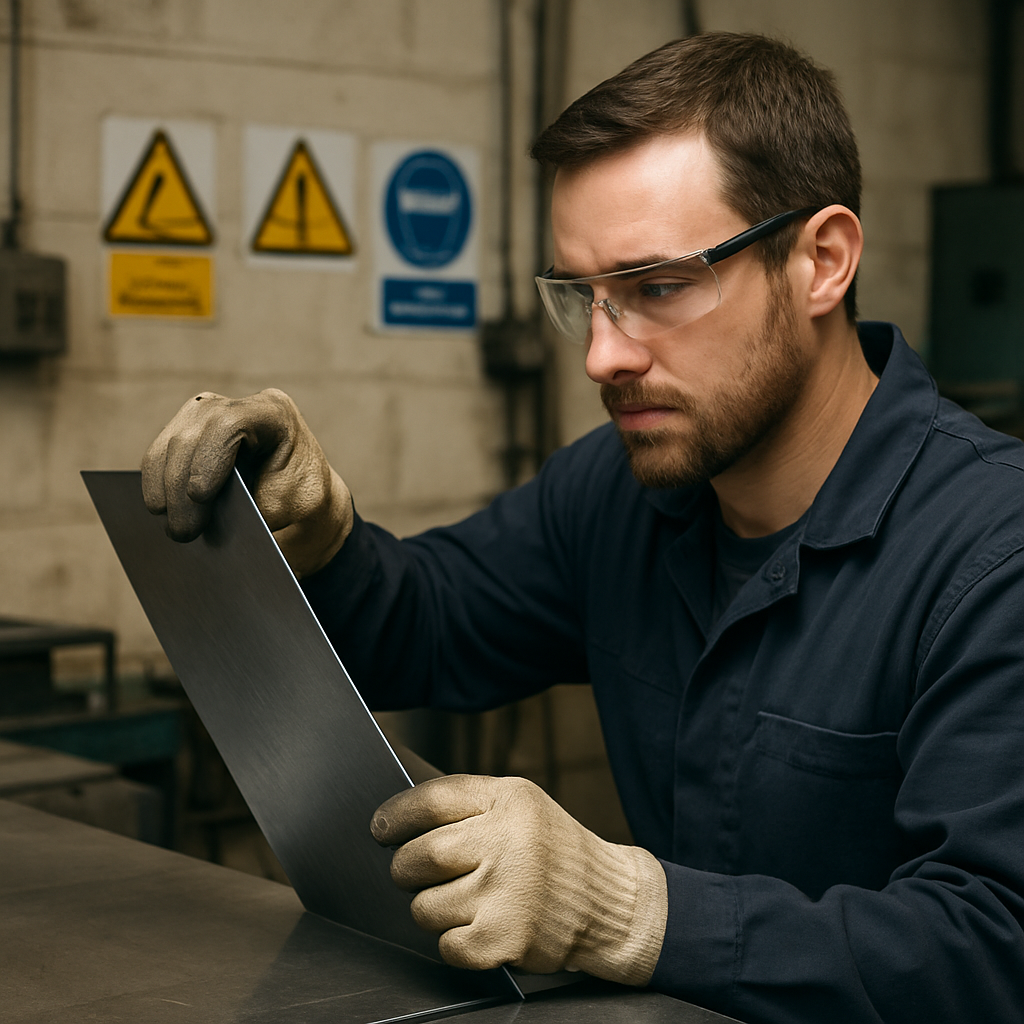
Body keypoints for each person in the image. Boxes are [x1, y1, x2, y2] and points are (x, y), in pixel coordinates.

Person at [141, 33, 1024, 1023]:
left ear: (821, 261)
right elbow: (425, 626)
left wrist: (630, 910)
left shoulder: (993, 555)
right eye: (582, 298)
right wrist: (316, 540)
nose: (603, 355)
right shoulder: (617, 491)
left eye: (657, 288)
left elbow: (993, 948)